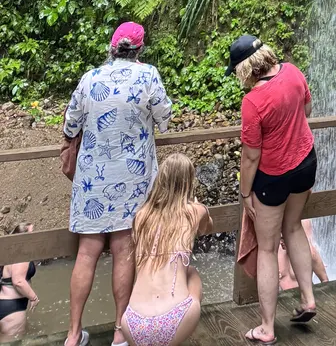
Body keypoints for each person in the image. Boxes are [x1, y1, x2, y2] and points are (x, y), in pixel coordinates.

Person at [63, 23, 172, 346]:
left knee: (86, 254)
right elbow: (164, 118)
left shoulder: (90, 77)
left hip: (93, 177)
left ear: (112, 47)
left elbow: (71, 124)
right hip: (131, 178)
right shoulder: (148, 75)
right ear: (139, 50)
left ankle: (72, 335)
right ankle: (119, 333)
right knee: (124, 251)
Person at [230, 35, 317, 344]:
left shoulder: (253, 101)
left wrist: (244, 193)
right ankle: (307, 298)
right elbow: (306, 110)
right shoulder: (293, 72)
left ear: (245, 68)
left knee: (267, 248)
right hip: (306, 163)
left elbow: (251, 155)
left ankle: (267, 328)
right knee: (293, 228)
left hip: (274, 176)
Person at [120, 154, 212, 346]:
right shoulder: (195, 211)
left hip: (132, 321)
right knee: (191, 272)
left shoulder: (141, 215)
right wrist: (196, 205)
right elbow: (207, 228)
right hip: (174, 316)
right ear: (188, 182)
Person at [0, 224, 38, 341]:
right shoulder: (21, 255)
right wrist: (33, 297)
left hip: (5, 304)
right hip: (13, 308)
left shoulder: (10, 253)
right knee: (13, 343)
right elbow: (18, 281)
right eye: (33, 232)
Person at [277, 222, 327, 292]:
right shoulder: (272, 255)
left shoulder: (310, 253)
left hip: (305, 295)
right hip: (282, 298)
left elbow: (325, 280)